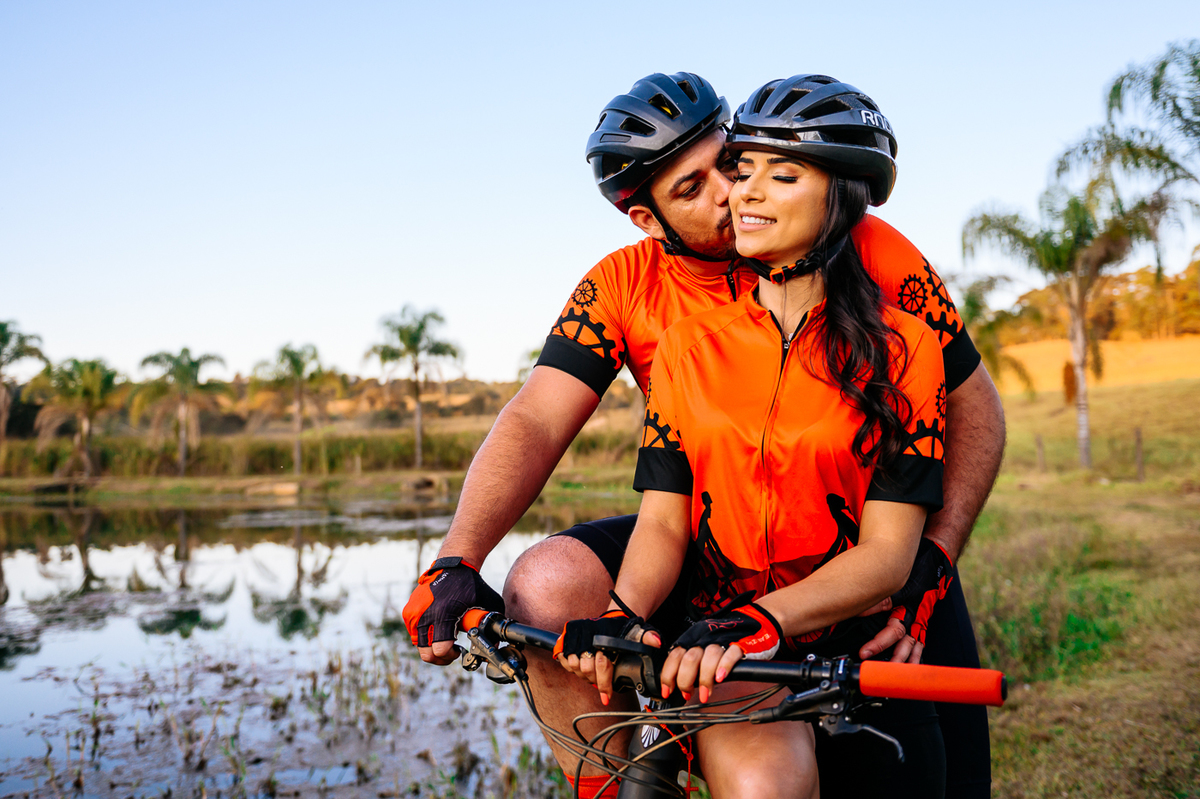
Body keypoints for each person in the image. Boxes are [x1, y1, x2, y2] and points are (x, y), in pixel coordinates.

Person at [403, 72, 1004, 798]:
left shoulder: (867, 249)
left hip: (867, 534)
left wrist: (932, 560)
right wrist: (456, 556)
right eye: (690, 190)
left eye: (730, 163)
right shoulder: (629, 291)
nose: (730, 194)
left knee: (952, 770)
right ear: (647, 220)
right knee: (546, 583)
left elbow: (977, 412)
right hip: (708, 530)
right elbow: (536, 417)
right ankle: (624, 776)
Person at [558, 73, 949, 798]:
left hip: (845, 640)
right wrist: (624, 613)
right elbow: (663, 524)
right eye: (744, 172)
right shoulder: (686, 346)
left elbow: (889, 555)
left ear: (843, 193)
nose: (745, 192)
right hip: (725, 648)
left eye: (784, 173)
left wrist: (760, 621)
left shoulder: (908, 348)